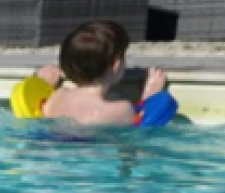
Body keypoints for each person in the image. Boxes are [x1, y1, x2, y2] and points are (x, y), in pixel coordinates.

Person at [30, 20, 168, 127]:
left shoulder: (57, 96)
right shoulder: (121, 109)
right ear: (116, 65)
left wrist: (42, 83)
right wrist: (150, 96)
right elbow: (141, 122)